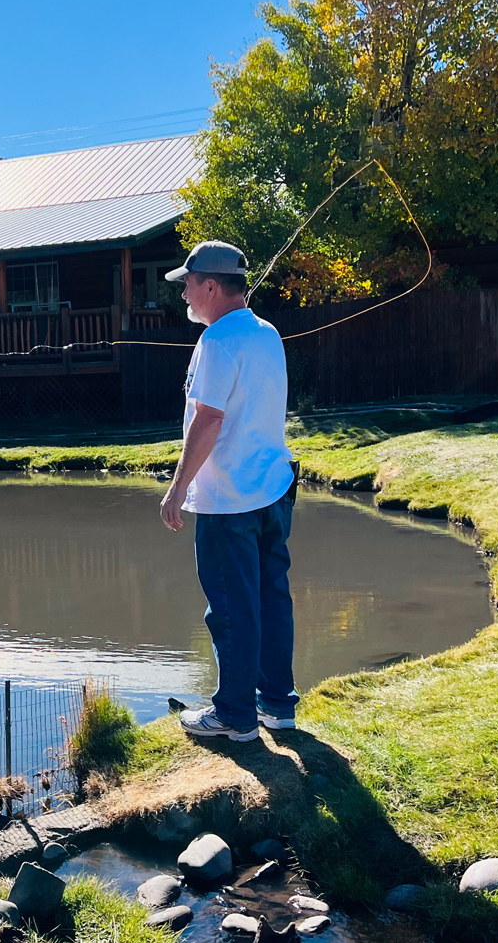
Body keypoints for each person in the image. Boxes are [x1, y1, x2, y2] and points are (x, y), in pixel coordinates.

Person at [158, 240, 298, 742]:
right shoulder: (267, 333)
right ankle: (278, 706)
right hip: (273, 490)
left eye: (189, 285)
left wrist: (177, 490)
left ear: (211, 286)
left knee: (231, 608)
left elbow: (208, 419)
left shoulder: (216, 341)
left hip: (228, 501)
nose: (185, 296)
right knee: (271, 599)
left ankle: (236, 716)